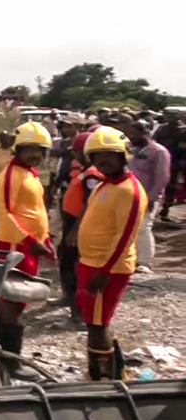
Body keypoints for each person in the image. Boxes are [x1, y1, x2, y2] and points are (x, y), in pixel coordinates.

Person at [76, 126, 148, 380]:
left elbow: (125, 236)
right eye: (96, 156)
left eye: (108, 155)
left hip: (106, 269)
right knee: (95, 321)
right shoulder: (106, 185)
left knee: (97, 325)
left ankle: (102, 379)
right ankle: (115, 372)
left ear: (123, 155)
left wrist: (104, 271)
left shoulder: (130, 191)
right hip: (92, 263)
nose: (101, 161)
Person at [0, 121, 56, 381]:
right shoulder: (10, 174)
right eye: (30, 149)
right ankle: (12, 362)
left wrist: (45, 239)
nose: (36, 155)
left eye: (40, 150)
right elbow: (4, 214)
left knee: (10, 304)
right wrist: (30, 241)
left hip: (28, 245)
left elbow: (36, 211)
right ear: (18, 148)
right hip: (14, 246)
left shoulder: (30, 174)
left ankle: (2, 356)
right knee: (13, 305)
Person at [58, 132, 102, 323]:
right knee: (65, 262)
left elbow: (89, 203)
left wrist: (75, 232)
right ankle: (68, 299)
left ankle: (78, 312)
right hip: (71, 223)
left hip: (79, 226)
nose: (74, 155)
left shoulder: (92, 174)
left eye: (76, 151)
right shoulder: (84, 170)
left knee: (74, 267)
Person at [128, 120, 171, 273]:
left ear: (147, 132)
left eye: (137, 132)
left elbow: (162, 177)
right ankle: (132, 258)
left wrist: (153, 198)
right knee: (130, 227)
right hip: (130, 194)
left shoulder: (159, 151)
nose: (133, 135)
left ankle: (145, 262)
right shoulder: (134, 150)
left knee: (143, 228)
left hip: (148, 196)